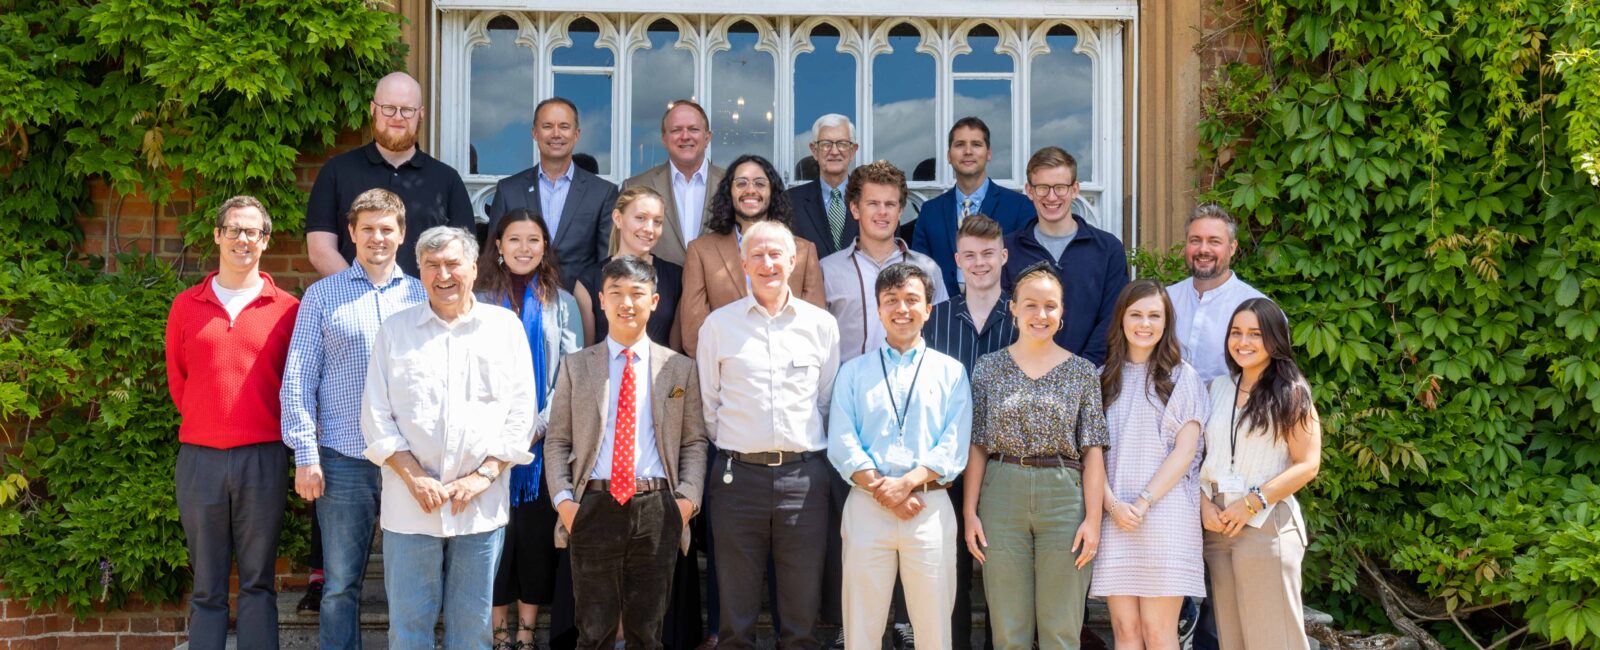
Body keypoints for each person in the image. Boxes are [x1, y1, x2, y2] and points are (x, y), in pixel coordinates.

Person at [361, 226, 539, 650]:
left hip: (478, 506)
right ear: (419, 271)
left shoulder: (504, 329)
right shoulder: (395, 331)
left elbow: (521, 414)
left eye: (453, 264)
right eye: (432, 265)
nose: (443, 275)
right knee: (408, 630)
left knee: (472, 632)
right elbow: (376, 416)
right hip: (410, 507)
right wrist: (413, 478)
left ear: (474, 268)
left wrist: (484, 475)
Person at [281, 189, 426, 649]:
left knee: (413, 583)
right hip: (344, 457)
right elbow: (298, 378)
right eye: (368, 229)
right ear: (351, 234)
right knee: (341, 585)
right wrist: (307, 454)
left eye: (387, 229)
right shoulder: (323, 296)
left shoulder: (423, 295)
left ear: (402, 234)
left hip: (411, 460)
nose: (377, 238)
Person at [545, 256, 710, 650]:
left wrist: (686, 501)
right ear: (601, 300)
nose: (627, 303)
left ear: (654, 301)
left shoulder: (680, 369)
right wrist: (565, 502)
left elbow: (694, 442)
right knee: (594, 629)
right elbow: (557, 441)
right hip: (593, 504)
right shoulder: (576, 366)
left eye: (637, 294)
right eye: (616, 293)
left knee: (647, 630)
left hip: (658, 505)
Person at [697, 221, 841, 650]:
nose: (767, 263)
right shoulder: (719, 326)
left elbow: (827, 402)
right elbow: (709, 407)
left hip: (804, 479)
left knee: (800, 618)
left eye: (776, 254)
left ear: (793, 261)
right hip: (736, 480)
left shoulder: (821, 326)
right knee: (735, 618)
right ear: (743, 263)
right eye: (757, 254)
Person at [164, 196, 300, 650]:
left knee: (259, 581)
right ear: (218, 235)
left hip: (263, 457)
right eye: (235, 230)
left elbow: (293, 383)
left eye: (253, 232)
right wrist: (211, 424)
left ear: (265, 241)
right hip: (200, 460)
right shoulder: (187, 305)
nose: (244, 239)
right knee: (206, 584)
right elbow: (178, 380)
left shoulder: (286, 308)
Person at [962, 262, 1108, 650]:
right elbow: (977, 445)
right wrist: (970, 512)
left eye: (1049, 306)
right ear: (1013, 308)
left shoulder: (1082, 372)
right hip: (1002, 492)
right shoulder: (988, 367)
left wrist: (1093, 520)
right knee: (1009, 630)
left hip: (1064, 497)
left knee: (1061, 629)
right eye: (1030, 305)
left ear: (1062, 313)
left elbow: (1093, 449)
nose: (1039, 315)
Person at [828, 263, 972, 650]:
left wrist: (906, 484)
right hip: (866, 506)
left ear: (928, 308)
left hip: (929, 507)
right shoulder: (853, 372)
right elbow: (842, 441)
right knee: (861, 627)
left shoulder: (951, 373)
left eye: (912, 300)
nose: (901, 309)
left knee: (934, 630)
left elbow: (954, 447)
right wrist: (884, 490)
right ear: (878, 308)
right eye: (891, 300)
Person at [473, 209, 585, 649]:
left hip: (543, 445)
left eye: (533, 240)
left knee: (535, 540)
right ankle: (497, 631)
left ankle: (525, 631)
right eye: (514, 239)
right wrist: (503, 429)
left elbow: (571, 371)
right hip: (487, 443)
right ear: (497, 245)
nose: (524, 248)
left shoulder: (563, 302)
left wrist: (538, 425)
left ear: (544, 247)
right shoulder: (477, 299)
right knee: (495, 538)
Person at [1089, 280, 1209, 650]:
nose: (1145, 323)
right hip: (1115, 517)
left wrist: (1141, 503)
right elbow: (1091, 455)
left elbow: (1184, 452)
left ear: (1166, 322)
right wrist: (1111, 504)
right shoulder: (1101, 378)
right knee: (1126, 633)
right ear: (1121, 319)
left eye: (1154, 315)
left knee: (1159, 634)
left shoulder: (1182, 377)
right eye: (1136, 314)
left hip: (1165, 517)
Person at [1199, 298, 1321, 650]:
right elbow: (1201, 457)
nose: (1243, 342)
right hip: (1218, 526)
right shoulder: (1217, 388)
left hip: (1266, 524)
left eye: (1255, 333)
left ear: (1274, 339)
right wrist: (1204, 503)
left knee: (1273, 640)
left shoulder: (1292, 391)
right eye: (1236, 333)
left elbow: (1307, 464)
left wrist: (1252, 503)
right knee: (1231, 639)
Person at [920, 214, 1013, 650]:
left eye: (988, 254)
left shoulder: (1023, 317)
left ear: (1003, 256)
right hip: (945, 467)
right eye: (970, 255)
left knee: (1002, 579)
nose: (979, 264)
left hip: (1004, 469)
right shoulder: (932, 320)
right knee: (947, 574)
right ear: (956, 260)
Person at [305, 72, 474, 278]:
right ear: (373, 109)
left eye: (407, 110)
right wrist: (360, 293)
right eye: (389, 108)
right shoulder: (337, 171)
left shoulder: (447, 180)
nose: (397, 117)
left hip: (424, 305)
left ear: (420, 114)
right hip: (354, 305)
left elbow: (464, 253)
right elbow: (320, 249)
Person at [678, 154, 826, 358]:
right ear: (729, 192)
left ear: (772, 192)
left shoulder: (803, 250)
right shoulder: (701, 251)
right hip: (727, 378)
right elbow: (693, 333)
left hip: (789, 377)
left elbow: (815, 326)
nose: (750, 190)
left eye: (760, 183)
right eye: (741, 183)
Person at [999, 147, 1128, 365]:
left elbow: (1112, 318)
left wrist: (1081, 371)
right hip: (1023, 375)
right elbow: (1004, 317)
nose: (1051, 197)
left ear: (1074, 189)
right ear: (1029, 191)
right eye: (1042, 188)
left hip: (1091, 376)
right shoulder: (1008, 250)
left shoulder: (1107, 249)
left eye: (1060, 187)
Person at [820, 160, 948, 363]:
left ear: (900, 211)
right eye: (873, 204)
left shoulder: (926, 268)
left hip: (913, 388)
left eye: (890, 204)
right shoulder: (827, 270)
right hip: (848, 389)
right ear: (855, 209)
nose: (882, 212)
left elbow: (942, 335)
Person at [488, 97, 621, 288]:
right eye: (547, 126)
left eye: (564, 126)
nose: (556, 134)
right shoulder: (508, 189)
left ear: (577, 134)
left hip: (579, 307)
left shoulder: (602, 193)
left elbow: (606, 263)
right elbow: (493, 256)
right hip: (517, 304)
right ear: (535, 132)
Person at [911, 117, 1036, 292]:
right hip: (943, 314)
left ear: (989, 153)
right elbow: (919, 271)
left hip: (1002, 313)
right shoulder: (930, 211)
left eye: (976, 144)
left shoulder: (1020, 207)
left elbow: (1026, 270)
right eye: (960, 144)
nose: (968, 151)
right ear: (949, 155)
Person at [1168, 203, 1266, 384]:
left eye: (1214, 241)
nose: (1203, 249)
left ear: (1232, 247)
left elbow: (1271, 378)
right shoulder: (1166, 300)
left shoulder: (1258, 307)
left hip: (1230, 411)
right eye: (1195, 240)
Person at [620, 99, 726, 266]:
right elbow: (621, 250)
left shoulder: (732, 185)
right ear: (664, 138)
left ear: (707, 137)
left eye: (693, 129)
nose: (685, 136)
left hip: (717, 291)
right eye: (676, 130)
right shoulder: (635, 187)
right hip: (656, 286)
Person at [576, 187, 682, 348]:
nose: (649, 228)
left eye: (657, 221)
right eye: (640, 218)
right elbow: (585, 354)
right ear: (618, 218)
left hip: (661, 372)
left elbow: (676, 353)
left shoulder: (676, 277)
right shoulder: (589, 280)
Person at [787, 114, 860, 258]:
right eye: (826, 144)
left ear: (853, 151)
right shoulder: (789, 202)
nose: (834, 151)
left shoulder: (871, 200)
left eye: (842, 144)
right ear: (814, 150)